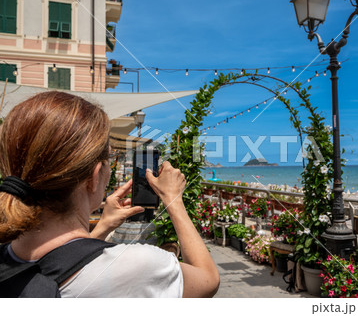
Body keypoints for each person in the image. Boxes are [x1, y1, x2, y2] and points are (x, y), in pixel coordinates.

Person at [0, 91, 219, 297]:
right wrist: (174, 199)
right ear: (94, 177)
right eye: (108, 158)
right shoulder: (137, 266)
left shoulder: (9, 257)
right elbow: (208, 280)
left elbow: (61, 259)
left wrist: (103, 226)